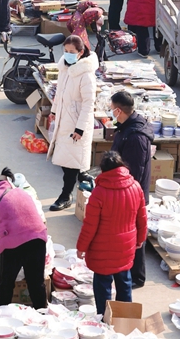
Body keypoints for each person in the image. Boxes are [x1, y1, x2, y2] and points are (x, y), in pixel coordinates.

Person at [76, 151, 147, 315]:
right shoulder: (136, 187)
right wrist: (140, 239)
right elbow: (142, 218)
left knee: (102, 286)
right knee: (124, 282)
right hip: (126, 246)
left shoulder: (99, 193)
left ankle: (105, 319)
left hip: (103, 250)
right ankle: (125, 317)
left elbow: (89, 226)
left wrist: (81, 247)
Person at [0, 167, 47, 307]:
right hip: (38, 238)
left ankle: (3, 314)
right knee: (36, 283)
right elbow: (22, 218)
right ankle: (43, 313)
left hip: (13, 244)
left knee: (5, 284)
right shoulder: (22, 193)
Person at [47, 34, 98, 211]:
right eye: (66, 51)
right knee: (66, 159)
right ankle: (83, 176)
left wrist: (80, 128)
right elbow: (60, 92)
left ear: (80, 53)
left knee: (70, 163)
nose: (68, 54)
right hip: (64, 120)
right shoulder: (65, 68)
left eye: (71, 52)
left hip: (76, 124)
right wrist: (54, 111)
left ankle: (65, 195)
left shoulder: (86, 75)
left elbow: (88, 104)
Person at [110, 94, 154, 289]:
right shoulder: (127, 128)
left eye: (112, 108)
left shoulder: (136, 137)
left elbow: (136, 171)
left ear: (119, 110)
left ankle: (137, 277)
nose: (111, 111)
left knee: (135, 235)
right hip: (124, 191)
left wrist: (124, 194)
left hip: (132, 195)